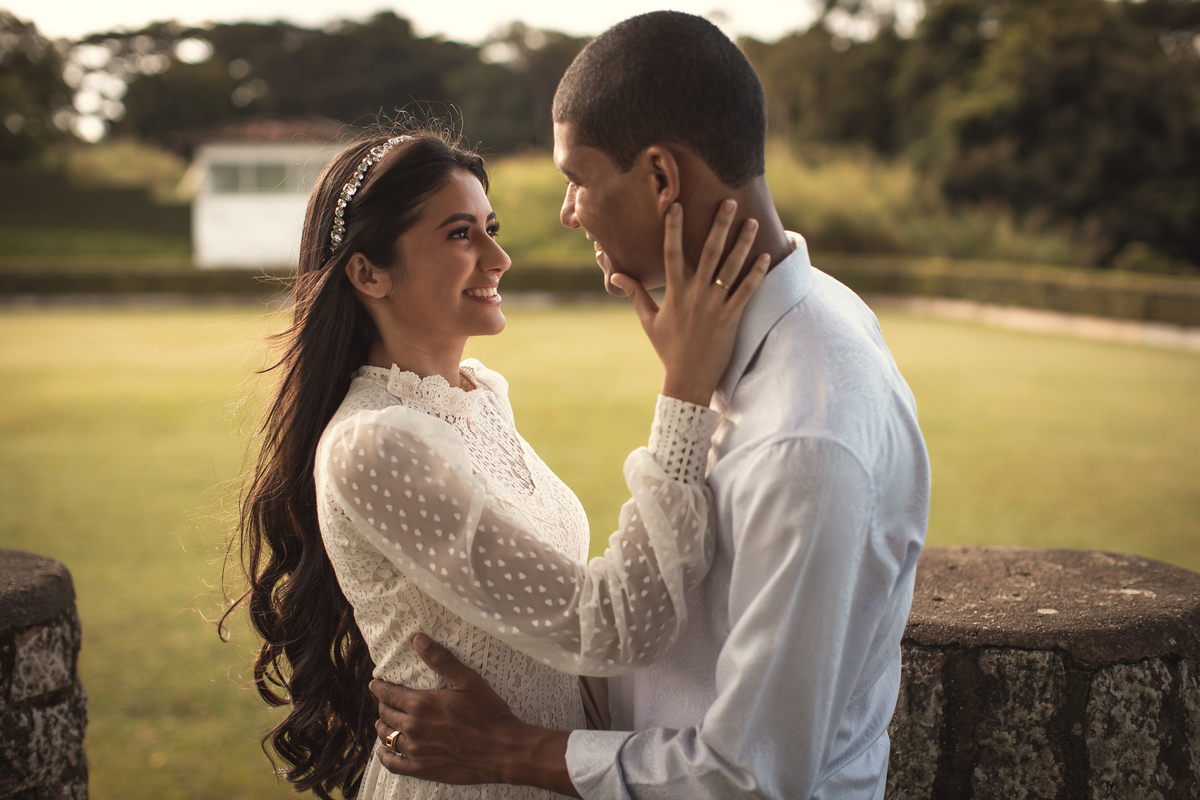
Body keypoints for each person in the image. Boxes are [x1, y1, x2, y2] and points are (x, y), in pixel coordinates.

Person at [370, 11, 931, 800]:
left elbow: (749, 779)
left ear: (662, 177)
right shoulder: (811, 314)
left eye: (578, 178)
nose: (568, 212)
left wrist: (511, 751)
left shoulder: (803, 440)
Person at [231, 125, 771, 800]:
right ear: (369, 273)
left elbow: (570, 639)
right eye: (461, 235)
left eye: (491, 228)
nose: (500, 258)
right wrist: (686, 390)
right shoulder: (374, 445)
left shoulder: (476, 396)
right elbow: (607, 627)